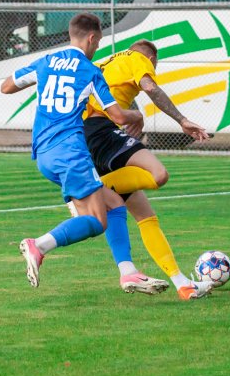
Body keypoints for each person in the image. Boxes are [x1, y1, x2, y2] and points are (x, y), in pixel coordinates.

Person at [0, 13, 143, 288]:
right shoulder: (90, 71)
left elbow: (6, 87)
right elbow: (119, 116)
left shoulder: (46, 62)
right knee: (97, 221)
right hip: (70, 152)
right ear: (91, 37)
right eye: (98, 42)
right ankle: (39, 245)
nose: (97, 47)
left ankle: (128, 272)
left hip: (43, 152)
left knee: (114, 204)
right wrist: (138, 116)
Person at [84, 39, 214, 300]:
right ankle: (96, 189)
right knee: (158, 174)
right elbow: (150, 87)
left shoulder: (103, 62)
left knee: (145, 215)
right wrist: (182, 120)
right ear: (152, 59)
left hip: (86, 137)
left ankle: (182, 284)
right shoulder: (138, 58)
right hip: (102, 132)